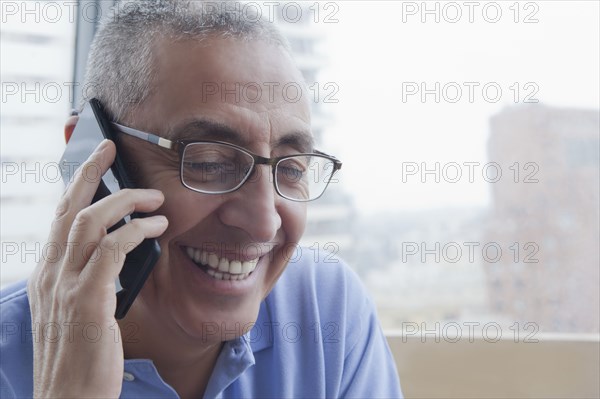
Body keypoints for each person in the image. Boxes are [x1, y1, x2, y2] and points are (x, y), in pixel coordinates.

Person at [0, 1, 403, 397]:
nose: (264, 224)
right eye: (209, 162)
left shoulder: (324, 310)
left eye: (291, 169)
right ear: (91, 157)